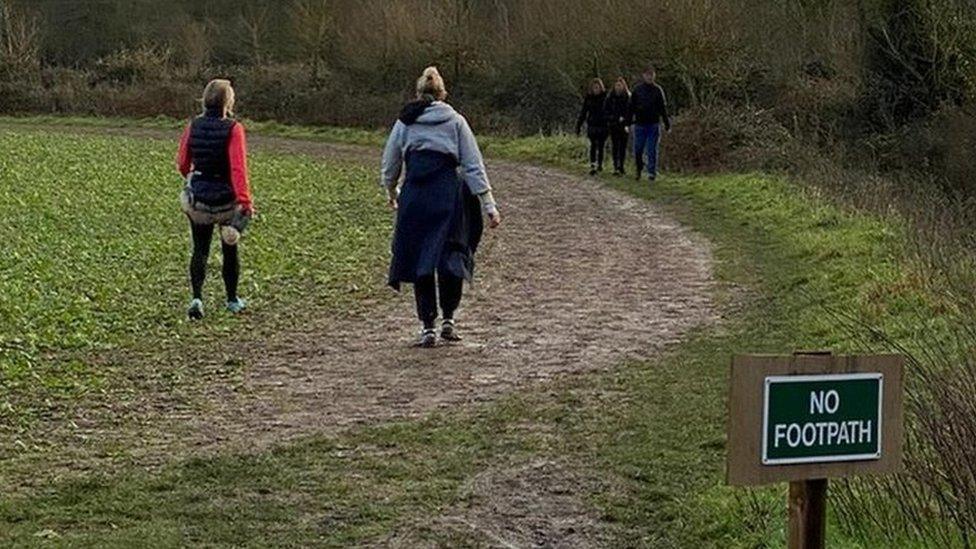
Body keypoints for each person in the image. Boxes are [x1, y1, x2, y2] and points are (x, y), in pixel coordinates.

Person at [381, 66, 502, 348]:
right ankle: (448, 318)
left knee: (421, 259)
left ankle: (427, 327)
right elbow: (473, 165)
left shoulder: (406, 122)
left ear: (418, 93)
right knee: (451, 255)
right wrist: (489, 206)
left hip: (416, 196)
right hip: (449, 195)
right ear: (443, 94)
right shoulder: (456, 121)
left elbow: (390, 164)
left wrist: (391, 192)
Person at [176, 78, 254, 320]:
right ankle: (232, 300)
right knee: (230, 249)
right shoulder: (233, 128)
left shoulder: (193, 126)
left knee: (199, 249)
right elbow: (238, 168)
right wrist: (245, 201)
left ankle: (197, 298)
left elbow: (182, 162)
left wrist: (195, 177)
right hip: (226, 199)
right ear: (227, 101)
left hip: (199, 197)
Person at [630, 65, 671, 182]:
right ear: (643, 76)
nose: (650, 77)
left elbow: (663, 108)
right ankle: (638, 168)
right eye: (648, 74)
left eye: (652, 75)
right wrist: (627, 122)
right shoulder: (637, 90)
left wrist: (666, 123)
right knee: (638, 149)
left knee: (652, 149)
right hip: (639, 124)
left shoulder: (658, 90)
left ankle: (651, 172)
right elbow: (631, 107)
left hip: (653, 124)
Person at [576, 78, 610, 175]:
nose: (596, 89)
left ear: (601, 87)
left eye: (598, 87)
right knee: (593, 145)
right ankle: (593, 164)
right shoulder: (589, 98)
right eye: (594, 87)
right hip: (592, 124)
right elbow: (584, 112)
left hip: (603, 125)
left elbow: (609, 110)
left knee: (601, 145)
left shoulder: (605, 98)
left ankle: (600, 164)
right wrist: (579, 125)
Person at [605, 77, 632, 176]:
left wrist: (626, 121)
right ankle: (615, 166)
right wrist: (614, 118)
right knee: (615, 146)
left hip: (624, 125)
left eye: (620, 85)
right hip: (613, 125)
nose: (618, 87)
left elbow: (631, 112)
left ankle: (621, 166)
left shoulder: (628, 98)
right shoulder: (610, 98)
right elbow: (606, 112)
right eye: (617, 85)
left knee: (623, 147)